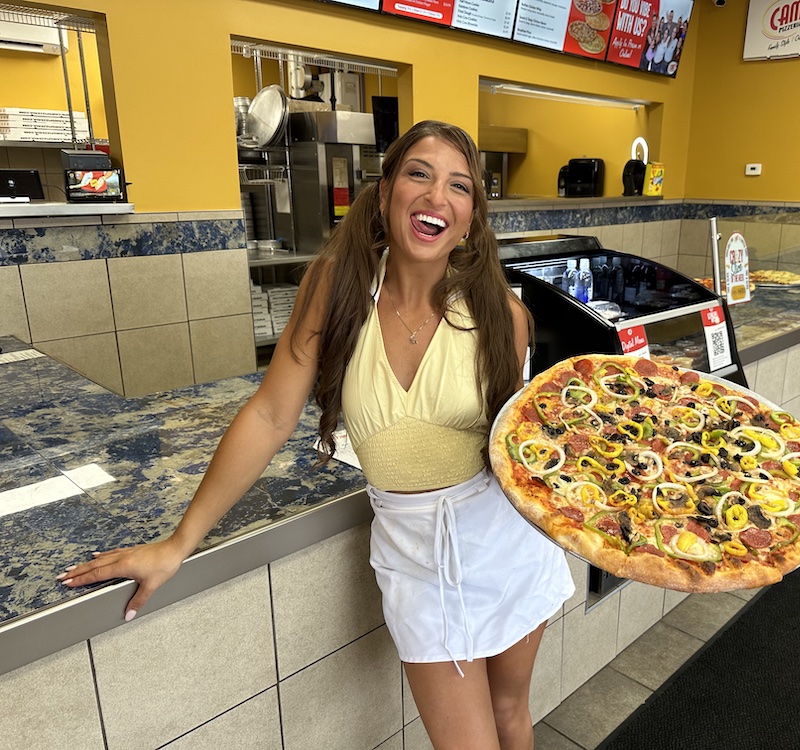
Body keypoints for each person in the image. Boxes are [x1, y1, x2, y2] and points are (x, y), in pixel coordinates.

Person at [59, 120, 576, 750]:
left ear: (471, 218)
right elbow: (272, 415)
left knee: (510, 713)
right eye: (419, 173)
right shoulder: (337, 290)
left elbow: (519, 448)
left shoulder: (503, 313)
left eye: (459, 186)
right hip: (415, 555)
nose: (437, 195)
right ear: (385, 192)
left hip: (507, 545)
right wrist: (179, 541)